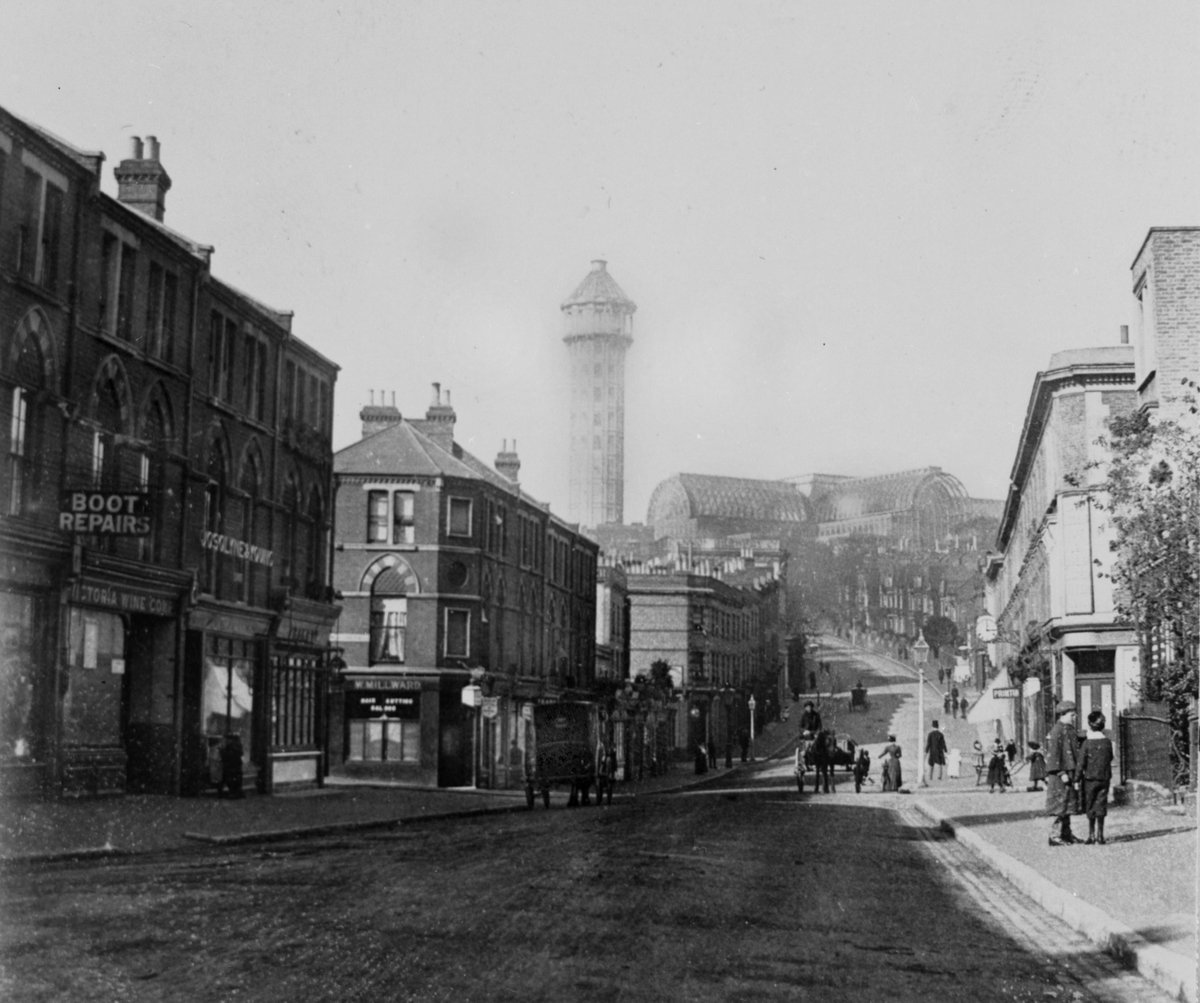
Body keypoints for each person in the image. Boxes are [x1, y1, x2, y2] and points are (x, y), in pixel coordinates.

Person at [1044, 700, 1081, 846]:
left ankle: (1066, 834)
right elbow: (1053, 755)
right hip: (1060, 775)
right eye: (1072, 714)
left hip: (1069, 773)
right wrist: (1061, 772)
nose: (1075, 717)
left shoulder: (1068, 729)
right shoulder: (1057, 731)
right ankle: (1054, 836)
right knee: (1059, 806)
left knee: (1067, 805)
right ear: (1064, 714)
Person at [1076, 711, 1114, 844]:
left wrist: (1076, 779)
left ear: (1090, 725)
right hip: (1104, 777)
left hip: (1090, 778)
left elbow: (1081, 763)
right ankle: (1100, 836)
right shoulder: (1107, 742)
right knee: (1101, 804)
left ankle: (1091, 835)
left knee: (1090, 804)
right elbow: (1110, 757)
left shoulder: (1086, 743)